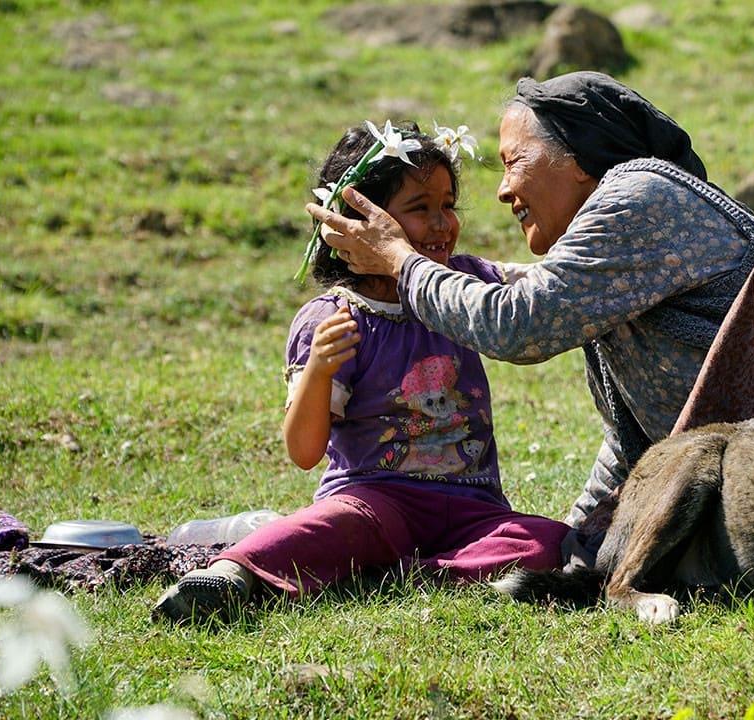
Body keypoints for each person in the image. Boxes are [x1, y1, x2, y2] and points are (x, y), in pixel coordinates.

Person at [308, 72, 754, 568]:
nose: (501, 191)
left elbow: (519, 324)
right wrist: (582, 539)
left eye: (513, 161)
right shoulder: (606, 278)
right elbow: (636, 436)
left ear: (577, 159)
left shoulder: (639, 194)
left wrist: (399, 257)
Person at [153, 122, 570, 621]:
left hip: (474, 510)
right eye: (420, 208)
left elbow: (553, 286)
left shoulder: (466, 284)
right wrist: (319, 372)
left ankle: (400, 573)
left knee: (552, 539)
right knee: (329, 527)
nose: (442, 223)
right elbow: (305, 451)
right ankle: (232, 575)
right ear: (355, 222)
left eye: (448, 205)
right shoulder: (335, 319)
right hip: (373, 501)